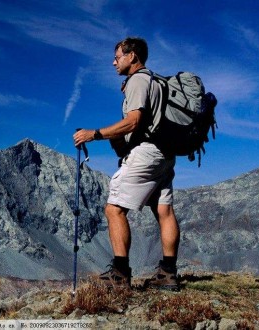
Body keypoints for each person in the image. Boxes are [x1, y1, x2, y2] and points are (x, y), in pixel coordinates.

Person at [73, 37, 180, 291]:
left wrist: (94, 134)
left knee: (114, 209)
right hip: (165, 154)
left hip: (147, 154)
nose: (113, 62)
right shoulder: (156, 81)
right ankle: (168, 274)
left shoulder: (138, 81)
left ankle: (120, 275)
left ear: (132, 56)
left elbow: (133, 121)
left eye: (117, 56)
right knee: (164, 211)